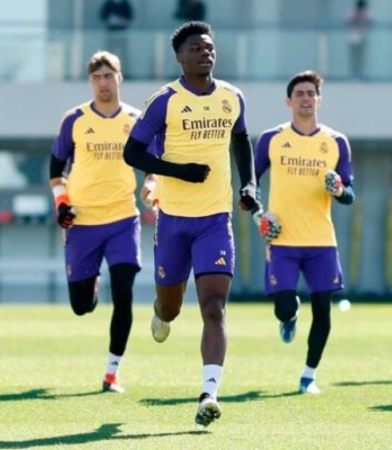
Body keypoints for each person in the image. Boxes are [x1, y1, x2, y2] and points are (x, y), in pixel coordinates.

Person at [123, 21, 261, 427]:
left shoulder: (232, 97)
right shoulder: (164, 101)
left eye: (210, 47)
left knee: (215, 308)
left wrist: (249, 184)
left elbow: (240, 141)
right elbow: (133, 153)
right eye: (197, 49)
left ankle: (209, 393)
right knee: (171, 306)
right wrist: (176, 171)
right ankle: (162, 313)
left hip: (215, 220)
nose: (206, 53)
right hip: (173, 220)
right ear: (180, 57)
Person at [50, 51, 145, 394]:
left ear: (119, 77)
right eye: (96, 78)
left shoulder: (137, 119)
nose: (103, 83)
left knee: (125, 294)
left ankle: (112, 372)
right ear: (91, 82)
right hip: (83, 221)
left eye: (108, 76)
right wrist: (62, 204)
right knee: (80, 308)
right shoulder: (73, 120)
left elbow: (154, 164)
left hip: (123, 219)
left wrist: (152, 186)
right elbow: (56, 168)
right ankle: (91, 285)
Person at [254, 70, 355, 395]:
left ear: (319, 99)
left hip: (322, 242)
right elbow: (249, 186)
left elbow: (349, 194)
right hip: (281, 239)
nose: (306, 98)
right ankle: (289, 318)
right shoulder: (272, 139)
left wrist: (339, 189)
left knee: (323, 310)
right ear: (288, 100)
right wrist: (259, 216)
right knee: (284, 305)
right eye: (299, 93)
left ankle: (309, 375)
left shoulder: (336, 142)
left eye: (311, 93)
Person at [99, 0, 133, 71]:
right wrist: (110, 20)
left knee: (123, 52)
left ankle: (123, 70)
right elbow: (103, 16)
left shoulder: (125, 3)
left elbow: (130, 16)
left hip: (122, 31)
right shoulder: (108, 3)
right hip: (111, 31)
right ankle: (109, 69)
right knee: (109, 52)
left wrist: (123, 20)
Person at [345, 0, 371, 80]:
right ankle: (353, 75)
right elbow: (347, 22)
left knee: (361, 57)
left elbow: (370, 21)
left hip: (362, 36)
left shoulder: (365, 13)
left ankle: (361, 74)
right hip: (353, 36)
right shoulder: (352, 12)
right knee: (353, 58)